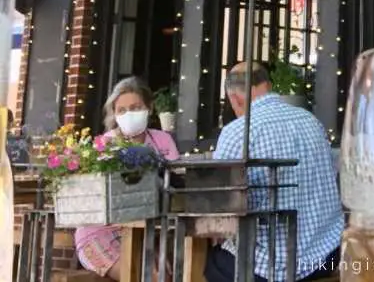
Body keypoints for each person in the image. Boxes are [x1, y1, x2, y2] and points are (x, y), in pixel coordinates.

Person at [204, 62, 343, 282]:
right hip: (329, 255)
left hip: (269, 267)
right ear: (268, 85)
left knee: (211, 262)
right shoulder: (311, 121)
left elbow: (219, 205)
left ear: (234, 98)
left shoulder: (237, 132)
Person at [74, 77, 179, 280]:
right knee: (149, 277)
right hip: (101, 233)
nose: (128, 114)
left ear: (149, 107)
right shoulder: (106, 145)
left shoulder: (163, 140)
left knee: (173, 274)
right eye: (122, 110)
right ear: (114, 114)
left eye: (135, 107)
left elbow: (176, 182)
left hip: (151, 232)